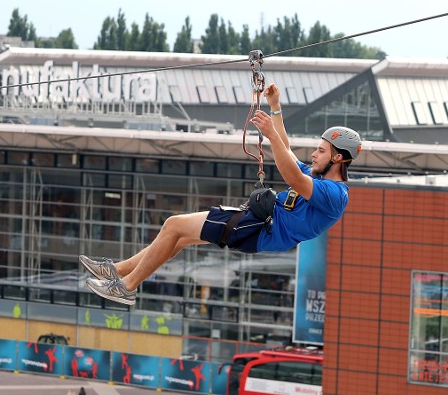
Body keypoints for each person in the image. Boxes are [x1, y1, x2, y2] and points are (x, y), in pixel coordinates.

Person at [80, 83, 361, 305]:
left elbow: (291, 175)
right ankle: (118, 271)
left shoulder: (335, 194)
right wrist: (276, 108)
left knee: (174, 225)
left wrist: (271, 136)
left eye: (321, 151)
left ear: (337, 158)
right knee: (179, 236)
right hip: (256, 224)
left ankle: (127, 287)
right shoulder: (318, 177)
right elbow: (287, 151)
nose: (313, 154)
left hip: (258, 228)